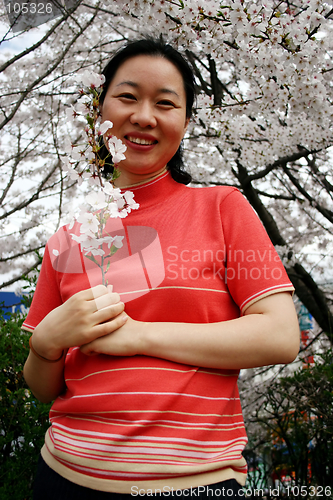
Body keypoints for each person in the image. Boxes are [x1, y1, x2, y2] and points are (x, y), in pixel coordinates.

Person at [23, 37, 300, 499]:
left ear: (186, 122)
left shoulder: (222, 208)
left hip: (194, 483)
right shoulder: (71, 235)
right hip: (63, 476)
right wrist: (46, 345)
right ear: (99, 108)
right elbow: (43, 387)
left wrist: (138, 335)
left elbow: (280, 336)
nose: (144, 117)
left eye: (165, 103)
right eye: (128, 97)